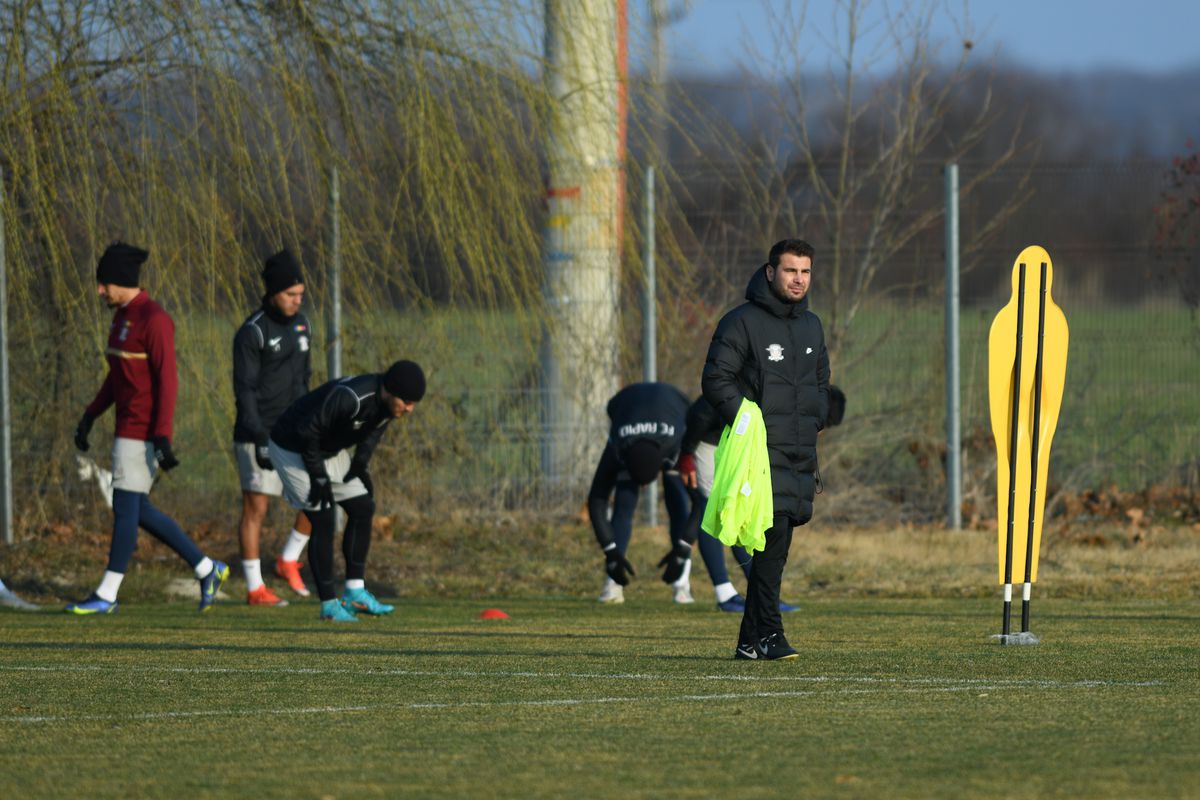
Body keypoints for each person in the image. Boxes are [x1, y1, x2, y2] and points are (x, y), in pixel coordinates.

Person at [69, 242, 229, 614]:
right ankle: (208, 569)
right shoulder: (122, 317)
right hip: (126, 428)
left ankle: (107, 595)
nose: (99, 290)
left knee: (126, 506)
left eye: (104, 283)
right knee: (137, 509)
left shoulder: (154, 319)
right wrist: (90, 415)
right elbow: (117, 378)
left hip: (141, 432)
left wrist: (162, 435)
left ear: (121, 281)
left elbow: (167, 382)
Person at [701, 238, 830, 661]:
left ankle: (747, 641)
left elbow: (821, 382)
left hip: (798, 452)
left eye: (805, 271)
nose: (799, 279)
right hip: (758, 452)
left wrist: (817, 418)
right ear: (770, 272)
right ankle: (770, 634)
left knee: (776, 546)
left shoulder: (811, 325)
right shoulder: (741, 322)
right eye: (791, 270)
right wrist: (746, 419)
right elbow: (717, 379)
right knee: (770, 543)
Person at [268, 360, 425, 622]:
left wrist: (361, 463)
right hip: (293, 447)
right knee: (322, 517)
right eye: (406, 402)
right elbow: (309, 432)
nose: (409, 409)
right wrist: (318, 477)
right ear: (389, 390)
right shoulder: (351, 397)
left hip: (324, 450)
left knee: (363, 507)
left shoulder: (388, 405)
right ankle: (329, 606)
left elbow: (374, 431)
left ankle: (354, 593)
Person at [678, 389, 845, 612]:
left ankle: (760, 592)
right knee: (714, 509)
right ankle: (724, 592)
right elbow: (704, 413)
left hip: (736, 443)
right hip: (710, 442)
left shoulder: (787, 398)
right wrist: (687, 453)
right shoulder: (770, 390)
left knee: (741, 513)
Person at [232, 249, 315, 605]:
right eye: (290, 295)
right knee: (257, 509)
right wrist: (260, 437)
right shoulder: (252, 332)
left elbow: (304, 380)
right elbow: (244, 390)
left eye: (300, 295)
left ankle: (288, 560)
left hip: (294, 432)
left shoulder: (303, 325)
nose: (297, 301)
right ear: (272, 293)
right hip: (258, 434)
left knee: (317, 498)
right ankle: (254, 588)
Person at [586, 382, 693, 605]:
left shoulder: (675, 444)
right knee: (624, 502)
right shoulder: (618, 447)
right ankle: (612, 581)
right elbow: (596, 499)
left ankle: (682, 584)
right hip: (625, 408)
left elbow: (703, 500)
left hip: (675, 406)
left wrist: (683, 548)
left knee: (677, 500)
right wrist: (611, 553)